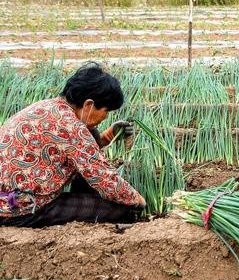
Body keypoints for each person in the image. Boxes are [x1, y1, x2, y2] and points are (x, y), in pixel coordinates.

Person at [0, 62, 146, 227]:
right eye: (106, 111)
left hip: (7, 200)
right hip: (21, 209)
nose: (105, 117)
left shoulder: (48, 107)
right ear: (89, 104)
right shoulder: (71, 127)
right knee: (122, 208)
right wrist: (137, 200)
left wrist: (106, 137)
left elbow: (74, 150)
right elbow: (103, 177)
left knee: (91, 132)